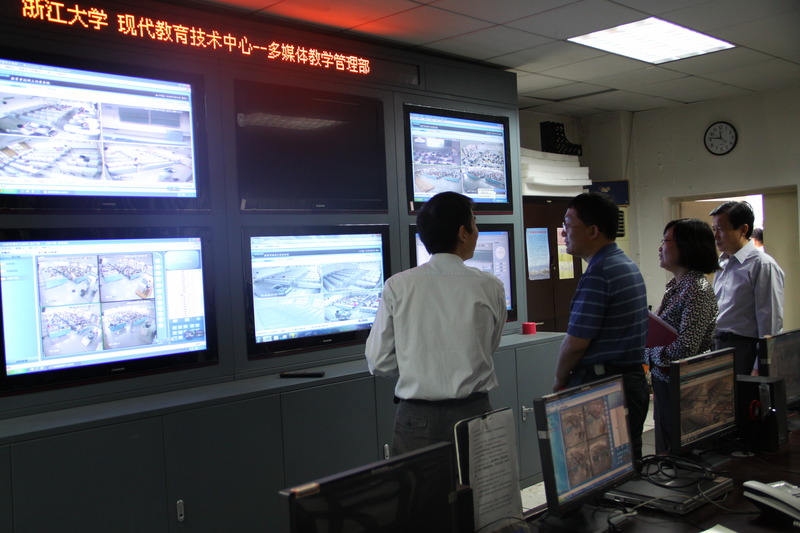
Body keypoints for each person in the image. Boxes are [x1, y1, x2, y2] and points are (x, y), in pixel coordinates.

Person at [365, 191, 507, 455]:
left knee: (419, 483)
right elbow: (489, 346)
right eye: (475, 224)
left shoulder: (398, 286)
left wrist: (416, 365)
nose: (477, 232)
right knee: (478, 483)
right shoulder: (490, 286)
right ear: (463, 233)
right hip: (475, 414)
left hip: (417, 419)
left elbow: (379, 361)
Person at [552, 192, 649, 461]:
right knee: (628, 463)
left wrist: (560, 379)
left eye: (568, 225)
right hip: (630, 382)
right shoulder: (625, 264)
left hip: (604, 386)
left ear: (593, 231)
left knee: (600, 467)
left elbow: (575, 344)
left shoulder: (600, 272)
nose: (564, 233)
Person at [645, 218, 719, 454]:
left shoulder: (696, 289)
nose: (660, 248)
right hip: (666, 382)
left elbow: (686, 348)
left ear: (687, 246)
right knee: (665, 449)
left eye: (666, 241)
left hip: (684, 389)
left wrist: (646, 354)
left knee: (677, 455)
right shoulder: (677, 286)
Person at [710, 201, 784, 376]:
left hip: (744, 348)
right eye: (714, 229)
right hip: (719, 345)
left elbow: (770, 323)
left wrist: (760, 366)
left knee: (744, 394)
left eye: (721, 229)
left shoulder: (762, 265)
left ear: (743, 229)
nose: (716, 236)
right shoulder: (723, 263)